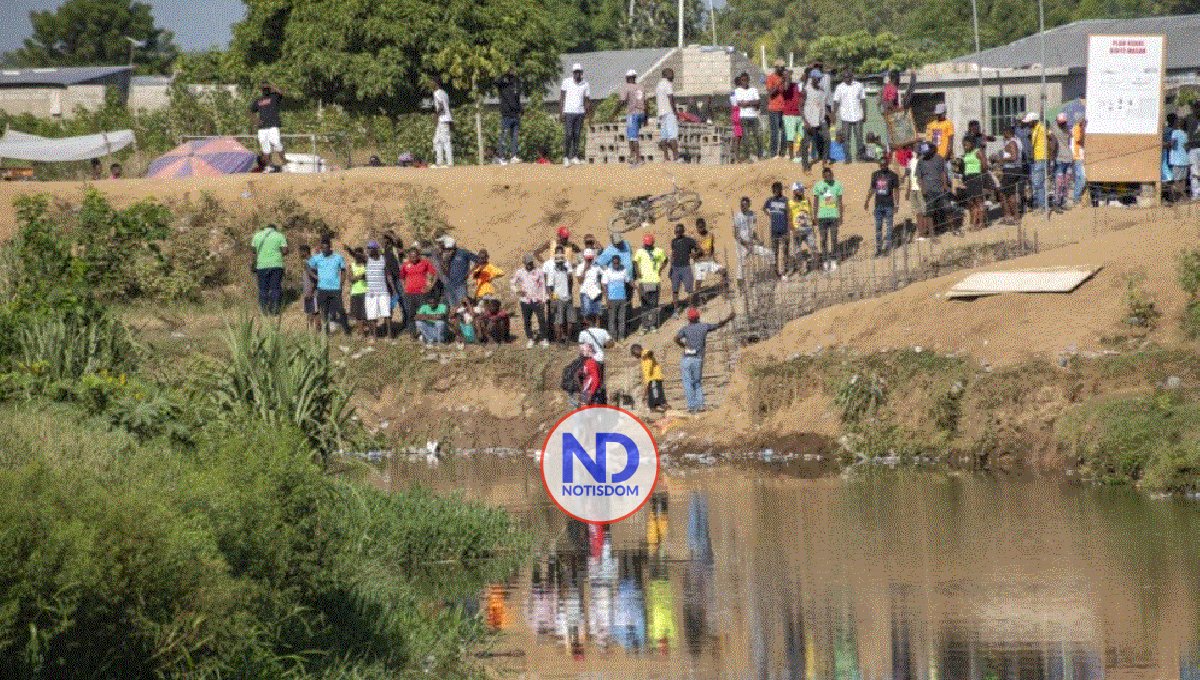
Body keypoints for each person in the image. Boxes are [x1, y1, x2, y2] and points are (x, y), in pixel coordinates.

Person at [675, 307, 734, 414]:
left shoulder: (685, 329)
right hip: (698, 358)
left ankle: (692, 407)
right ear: (698, 317)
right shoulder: (704, 327)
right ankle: (701, 404)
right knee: (697, 382)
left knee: (688, 383)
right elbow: (718, 325)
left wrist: (683, 345)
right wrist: (728, 318)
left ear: (689, 319)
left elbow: (676, 338)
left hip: (687, 358)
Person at [308, 237, 351, 335]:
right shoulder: (317, 258)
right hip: (322, 288)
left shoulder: (338, 257)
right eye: (322, 248)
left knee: (340, 309)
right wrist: (314, 275)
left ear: (330, 247)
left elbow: (343, 270)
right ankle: (326, 332)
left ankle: (347, 330)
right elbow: (307, 265)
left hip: (335, 288)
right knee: (324, 311)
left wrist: (342, 282)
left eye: (326, 248)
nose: (324, 250)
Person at [510, 253, 549, 348]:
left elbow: (543, 285)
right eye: (527, 263)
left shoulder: (539, 272)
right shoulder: (520, 272)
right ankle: (530, 338)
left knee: (541, 319)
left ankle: (543, 338)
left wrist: (544, 298)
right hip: (525, 301)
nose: (529, 265)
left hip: (537, 300)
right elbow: (512, 282)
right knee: (527, 320)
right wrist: (518, 291)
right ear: (524, 263)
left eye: (531, 263)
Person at [250, 222, 288, 314]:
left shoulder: (257, 235)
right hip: (276, 265)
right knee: (275, 288)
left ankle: (264, 310)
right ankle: (275, 311)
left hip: (262, 265)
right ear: (274, 228)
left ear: (265, 228)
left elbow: (253, 250)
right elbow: (285, 251)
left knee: (263, 288)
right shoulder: (279, 235)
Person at [864, 157, 900, 256]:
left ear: (887, 164)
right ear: (879, 165)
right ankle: (879, 249)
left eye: (885, 164)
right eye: (881, 164)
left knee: (889, 227)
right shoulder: (875, 175)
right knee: (878, 227)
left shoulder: (893, 175)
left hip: (889, 204)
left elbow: (896, 190)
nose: (883, 166)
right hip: (878, 204)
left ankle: (888, 248)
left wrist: (897, 204)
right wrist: (867, 200)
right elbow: (872, 188)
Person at [632, 234, 667, 333]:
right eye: (646, 244)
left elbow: (665, 260)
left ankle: (652, 325)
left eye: (649, 245)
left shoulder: (659, 251)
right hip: (644, 282)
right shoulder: (640, 251)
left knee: (654, 304)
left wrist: (660, 269)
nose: (647, 246)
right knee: (645, 304)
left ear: (653, 243)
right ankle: (645, 325)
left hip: (655, 281)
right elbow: (635, 262)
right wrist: (638, 272)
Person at [915, 141, 949, 237]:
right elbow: (919, 177)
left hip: (939, 189)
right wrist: (923, 188)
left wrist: (945, 185)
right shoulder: (921, 161)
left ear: (933, 149)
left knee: (940, 209)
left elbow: (943, 173)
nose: (925, 154)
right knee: (929, 212)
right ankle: (932, 234)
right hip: (928, 190)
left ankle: (940, 229)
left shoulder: (939, 159)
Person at [812, 167, 843, 271]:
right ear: (823, 176)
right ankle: (825, 260)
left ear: (832, 174)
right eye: (825, 176)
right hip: (822, 217)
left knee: (834, 239)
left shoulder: (837, 185)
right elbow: (815, 201)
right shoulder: (818, 185)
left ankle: (833, 259)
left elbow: (839, 202)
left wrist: (840, 216)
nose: (828, 177)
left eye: (829, 175)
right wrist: (815, 216)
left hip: (833, 216)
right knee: (823, 239)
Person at [400, 246, 436, 336]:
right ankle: (413, 333)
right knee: (410, 314)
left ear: (418, 255)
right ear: (409, 256)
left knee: (423, 313)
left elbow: (435, 274)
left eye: (415, 256)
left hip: (421, 293)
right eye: (411, 257)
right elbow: (401, 277)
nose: (413, 258)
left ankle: (424, 333)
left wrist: (430, 286)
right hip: (409, 293)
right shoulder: (405, 265)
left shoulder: (425, 263)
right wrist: (404, 287)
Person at [832, 69, 866, 163]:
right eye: (844, 77)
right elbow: (836, 101)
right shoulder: (839, 87)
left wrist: (864, 114)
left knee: (859, 137)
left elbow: (863, 100)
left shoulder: (859, 85)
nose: (846, 79)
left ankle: (859, 156)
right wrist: (833, 114)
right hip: (845, 117)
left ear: (852, 77)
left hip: (858, 115)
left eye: (847, 77)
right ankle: (848, 157)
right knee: (846, 138)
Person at [560, 63, 591, 166]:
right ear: (573, 73)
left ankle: (575, 156)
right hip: (569, 112)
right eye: (575, 72)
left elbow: (587, 99)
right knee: (569, 134)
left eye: (579, 72)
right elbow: (562, 98)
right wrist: (561, 112)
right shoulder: (566, 82)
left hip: (580, 112)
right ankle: (566, 157)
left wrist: (588, 112)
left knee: (577, 135)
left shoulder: (585, 84)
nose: (577, 74)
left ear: (581, 73)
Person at [250, 81, 284, 173]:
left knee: (277, 144)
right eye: (263, 88)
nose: (265, 89)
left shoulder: (274, 96)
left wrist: (273, 85)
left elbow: (281, 92)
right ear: (261, 90)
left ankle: (284, 161)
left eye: (267, 88)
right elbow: (251, 111)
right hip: (262, 128)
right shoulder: (258, 100)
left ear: (269, 88)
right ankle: (269, 166)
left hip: (273, 125)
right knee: (265, 149)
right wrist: (256, 121)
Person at [436, 235, 479, 309]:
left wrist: (470, 272)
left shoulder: (463, 253)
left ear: (454, 247)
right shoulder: (444, 254)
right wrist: (443, 261)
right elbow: (445, 271)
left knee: (462, 306)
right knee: (452, 307)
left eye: (450, 249)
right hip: (449, 285)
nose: (448, 250)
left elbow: (478, 260)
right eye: (447, 249)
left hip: (461, 284)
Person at [543, 247, 576, 343]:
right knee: (558, 321)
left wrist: (570, 294)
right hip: (558, 299)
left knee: (570, 321)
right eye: (559, 262)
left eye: (562, 261)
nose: (561, 263)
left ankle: (567, 341)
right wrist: (553, 300)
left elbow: (571, 282)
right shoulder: (553, 272)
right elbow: (550, 287)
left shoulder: (567, 269)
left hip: (568, 298)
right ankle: (558, 342)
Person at [363, 240, 394, 340]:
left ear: (376, 249)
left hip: (383, 291)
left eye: (371, 248)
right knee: (372, 314)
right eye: (368, 248)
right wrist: (350, 250)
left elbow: (388, 274)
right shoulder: (367, 259)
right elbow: (356, 255)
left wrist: (392, 287)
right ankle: (374, 336)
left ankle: (389, 335)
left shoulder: (383, 259)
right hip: (371, 292)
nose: (369, 250)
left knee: (387, 313)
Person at [800, 69, 828, 172]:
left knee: (826, 139)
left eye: (820, 78)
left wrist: (829, 114)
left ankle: (824, 161)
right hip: (810, 121)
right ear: (812, 78)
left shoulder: (821, 90)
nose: (819, 79)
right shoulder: (806, 90)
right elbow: (800, 106)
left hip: (821, 120)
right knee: (807, 143)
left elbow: (823, 105)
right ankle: (805, 164)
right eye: (817, 78)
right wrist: (805, 121)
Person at [668, 223, 699, 312]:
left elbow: (699, 249)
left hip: (686, 267)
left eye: (679, 231)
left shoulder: (689, 240)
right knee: (675, 290)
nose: (677, 233)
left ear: (683, 231)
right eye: (676, 231)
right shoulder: (673, 241)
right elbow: (673, 254)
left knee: (689, 289)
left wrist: (694, 254)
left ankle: (691, 308)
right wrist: (670, 268)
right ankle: (675, 310)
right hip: (675, 268)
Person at [960, 136, 989, 231]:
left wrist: (980, 175)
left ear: (972, 144)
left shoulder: (978, 151)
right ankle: (972, 222)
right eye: (963, 145)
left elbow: (984, 165)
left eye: (966, 144)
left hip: (976, 176)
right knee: (970, 202)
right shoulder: (966, 153)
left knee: (978, 201)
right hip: (968, 178)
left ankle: (981, 222)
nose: (965, 146)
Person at [763, 181, 790, 277]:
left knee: (785, 251)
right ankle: (775, 272)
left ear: (781, 190)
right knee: (774, 252)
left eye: (778, 189)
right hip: (774, 230)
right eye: (774, 190)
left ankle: (785, 270)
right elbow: (764, 208)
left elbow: (789, 213)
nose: (776, 191)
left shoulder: (785, 200)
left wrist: (789, 228)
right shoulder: (769, 200)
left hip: (784, 229)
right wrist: (769, 214)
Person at [618, 69, 646, 165]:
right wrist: (646, 117)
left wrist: (614, 112)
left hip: (632, 114)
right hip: (641, 114)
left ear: (627, 78)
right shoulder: (641, 87)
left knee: (633, 137)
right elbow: (645, 102)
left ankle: (638, 158)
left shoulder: (626, 87)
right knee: (632, 136)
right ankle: (632, 156)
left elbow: (622, 101)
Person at [732, 72, 762, 162]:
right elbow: (738, 103)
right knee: (746, 137)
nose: (744, 82)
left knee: (757, 136)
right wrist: (752, 102)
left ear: (748, 80)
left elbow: (758, 102)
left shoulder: (754, 90)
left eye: (746, 80)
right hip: (743, 116)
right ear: (740, 81)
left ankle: (760, 156)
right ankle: (747, 157)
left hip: (753, 116)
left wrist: (747, 103)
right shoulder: (737, 91)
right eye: (742, 80)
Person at [1047, 113, 1074, 210]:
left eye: (1063, 122)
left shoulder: (1067, 129)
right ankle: (1056, 203)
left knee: (1065, 182)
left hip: (1068, 158)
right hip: (1059, 158)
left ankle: (1062, 202)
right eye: (1060, 122)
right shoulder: (1054, 127)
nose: (1062, 124)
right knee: (1059, 182)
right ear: (1057, 121)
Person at [495, 68, 522, 164]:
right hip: (506, 114)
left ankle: (513, 156)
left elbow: (518, 99)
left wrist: (520, 110)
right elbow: (497, 82)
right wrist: (505, 74)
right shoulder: (503, 84)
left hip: (515, 115)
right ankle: (501, 157)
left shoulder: (517, 83)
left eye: (513, 70)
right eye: (510, 70)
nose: (513, 72)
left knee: (515, 137)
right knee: (504, 136)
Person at [631, 343, 668, 413]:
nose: (635, 356)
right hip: (649, 379)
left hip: (654, 377)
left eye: (634, 354)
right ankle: (652, 407)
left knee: (655, 392)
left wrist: (647, 354)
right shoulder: (642, 358)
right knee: (651, 394)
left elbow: (650, 352)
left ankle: (660, 405)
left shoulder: (644, 353)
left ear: (636, 350)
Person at [788, 182, 816, 273]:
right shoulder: (790, 203)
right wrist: (793, 229)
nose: (801, 192)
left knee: (813, 247)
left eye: (802, 190)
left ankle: (815, 267)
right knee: (797, 250)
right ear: (794, 191)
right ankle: (802, 266)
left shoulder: (807, 200)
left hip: (808, 229)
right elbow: (789, 218)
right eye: (799, 190)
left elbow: (810, 212)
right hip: (797, 230)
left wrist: (812, 222)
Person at [603, 256, 631, 340]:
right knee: (612, 319)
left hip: (622, 298)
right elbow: (604, 286)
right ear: (612, 263)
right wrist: (607, 299)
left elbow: (628, 281)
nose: (615, 265)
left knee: (621, 318)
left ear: (619, 262)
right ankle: (613, 337)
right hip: (611, 299)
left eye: (617, 263)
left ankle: (621, 336)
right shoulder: (607, 272)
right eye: (614, 263)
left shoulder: (624, 271)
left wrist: (637, 288)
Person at [999, 127, 1023, 225]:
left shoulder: (1012, 142)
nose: (1002, 135)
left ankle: (1015, 217)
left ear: (1007, 132)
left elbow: (1014, 157)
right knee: (1004, 193)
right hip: (1013, 169)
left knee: (1009, 194)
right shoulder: (1017, 140)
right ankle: (1008, 216)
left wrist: (1001, 160)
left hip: (1011, 169)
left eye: (1003, 133)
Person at [1026, 112, 1049, 210]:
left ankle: (1041, 205)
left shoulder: (1042, 128)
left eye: (1029, 122)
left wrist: (1049, 155)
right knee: (1038, 183)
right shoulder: (1035, 129)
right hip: (1037, 158)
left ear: (1034, 121)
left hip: (1041, 158)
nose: (1028, 124)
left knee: (1038, 183)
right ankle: (1040, 205)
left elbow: (1051, 138)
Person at [779, 69, 803, 161]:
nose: (788, 76)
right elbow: (785, 89)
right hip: (789, 114)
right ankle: (791, 156)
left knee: (802, 135)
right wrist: (786, 79)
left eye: (788, 74)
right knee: (790, 136)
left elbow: (802, 96)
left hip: (799, 114)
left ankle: (799, 153)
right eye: (785, 75)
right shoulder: (782, 86)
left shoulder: (797, 85)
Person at [576, 248, 605, 324]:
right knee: (586, 314)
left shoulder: (596, 266)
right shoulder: (580, 267)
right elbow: (580, 281)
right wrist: (585, 270)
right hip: (585, 293)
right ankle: (587, 332)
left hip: (596, 292)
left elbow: (604, 275)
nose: (589, 260)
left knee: (597, 314)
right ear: (584, 258)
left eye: (590, 259)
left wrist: (602, 288)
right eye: (588, 259)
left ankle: (597, 332)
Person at [765, 59, 787, 158]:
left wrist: (787, 80)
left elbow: (786, 91)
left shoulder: (784, 78)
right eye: (781, 68)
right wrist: (779, 83)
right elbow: (771, 92)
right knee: (775, 132)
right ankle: (773, 153)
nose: (783, 69)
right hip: (774, 108)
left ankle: (782, 153)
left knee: (784, 132)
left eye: (783, 67)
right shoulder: (771, 78)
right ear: (776, 68)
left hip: (783, 108)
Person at [657, 68, 679, 162]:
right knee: (673, 135)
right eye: (671, 73)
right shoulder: (668, 84)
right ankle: (676, 158)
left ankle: (666, 157)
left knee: (664, 136)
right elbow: (671, 98)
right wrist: (675, 111)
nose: (673, 76)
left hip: (661, 113)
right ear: (666, 75)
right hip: (669, 112)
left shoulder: (658, 85)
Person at [733, 196, 757, 284]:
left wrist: (756, 238)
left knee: (751, 261)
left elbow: (753, 228)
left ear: (749, 205)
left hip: (750, 241)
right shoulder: (737, 216)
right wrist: (744, 243)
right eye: (741, 205)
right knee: (741, 261)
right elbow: (735, 234)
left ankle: (751, 280)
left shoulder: (752, 215)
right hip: (741, 243)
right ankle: (740, 281)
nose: (742, 207)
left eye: (745, 205)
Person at [431, 76, 453, 168]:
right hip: (445, 119)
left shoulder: (436, 93)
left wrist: (436, 115)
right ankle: (441, 162)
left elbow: (441, 106)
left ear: (436, 83)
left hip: (442, 118)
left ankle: (447, 162)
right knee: (439, 140)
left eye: (432, 82)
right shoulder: (445, 93)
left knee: (443, 141)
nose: (430, 84)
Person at [1168, 113, 1191, 203]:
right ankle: (1181, 198)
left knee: (1176, 180)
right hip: (1185, 160)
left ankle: (1181, 197)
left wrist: (1167, 144)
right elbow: (1187, 146)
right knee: (1183, 180)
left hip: (1177, 160)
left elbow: (1172, 144)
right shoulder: (1186, 134)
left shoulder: (1175, 132)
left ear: (1178, 124)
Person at [925, 103, 955, 169]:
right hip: (934, 156)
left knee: (946, 176)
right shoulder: (931, 124)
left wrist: (947, 155)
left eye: (940, 114)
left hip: (944, 156)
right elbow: (929, 140)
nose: (938, 116)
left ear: (944, 113)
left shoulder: (948, 124)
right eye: (937, 114)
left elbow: (950, 141)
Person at [298, 244, 320, 332]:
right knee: (310, 311)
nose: (299, 254)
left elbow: (314, 278)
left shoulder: (311, 262)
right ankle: (309, 332)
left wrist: (311, 290)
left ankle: (314, 331)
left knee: (314, 312)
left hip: (312, 291)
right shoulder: (308, 261)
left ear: (305, 252)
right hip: (309, 291)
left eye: (300, 252)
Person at [348, 248, 368, 333]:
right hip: (355, 292)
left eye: (360, 255)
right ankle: (360, 332)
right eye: (357, 255)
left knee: (365, 313)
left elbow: (369, 277)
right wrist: (360, 276)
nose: (359, 256)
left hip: (366, 291)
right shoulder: (351, 265)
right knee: (357, 314)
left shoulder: (366, 265)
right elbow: (350, 278)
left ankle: (365, 330)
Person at [1072, 117, 1087, 204]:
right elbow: (1080, 141)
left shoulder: (1081, 128)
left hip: (1082, 157)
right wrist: (1083, 128)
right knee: (1081, 179)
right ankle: (1076, 197)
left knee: (1080, 179)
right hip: (1078, 157)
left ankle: (1077, 198)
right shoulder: (1077, 128)